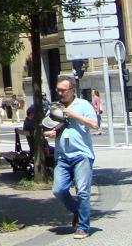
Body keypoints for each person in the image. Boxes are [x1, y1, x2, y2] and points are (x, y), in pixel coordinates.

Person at [46, 77, 98, 240]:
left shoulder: (83, 105)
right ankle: (77, 210)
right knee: (58, 190)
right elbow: (47, 126)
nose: (60, 93)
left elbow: (94, 125)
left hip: (81, 155)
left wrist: (74, 115)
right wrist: (49, 133)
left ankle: (83, 227)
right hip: (62, 156)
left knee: (82, 191)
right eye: (58, 90)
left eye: (63, 90)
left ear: (72, 90)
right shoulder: (55, 107)